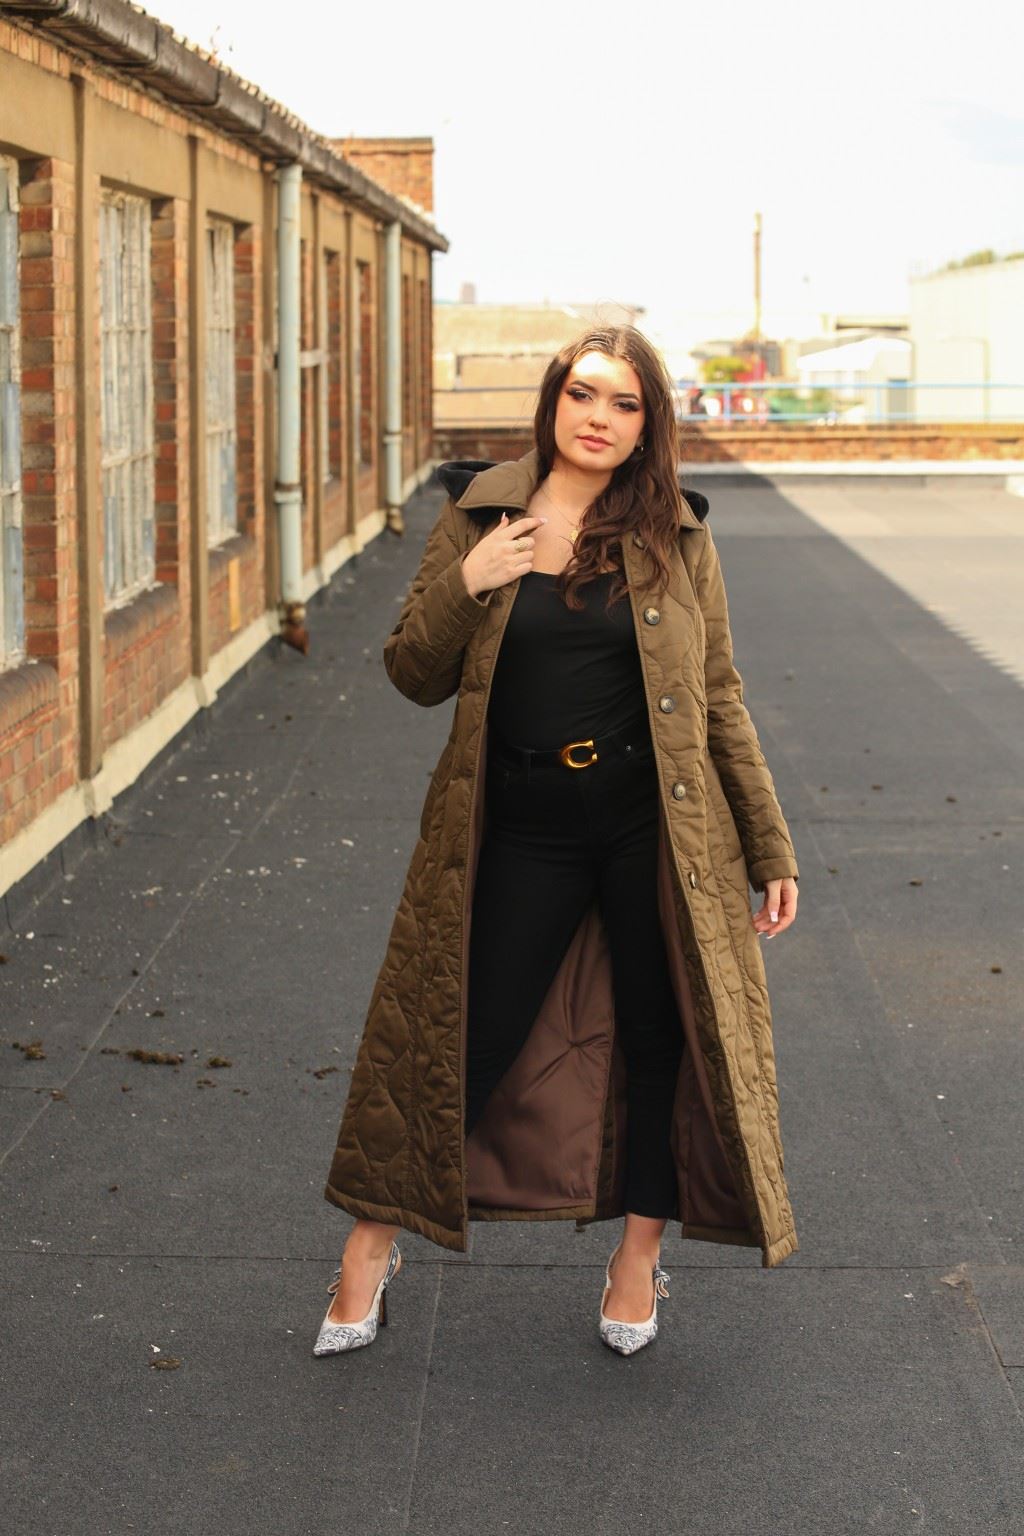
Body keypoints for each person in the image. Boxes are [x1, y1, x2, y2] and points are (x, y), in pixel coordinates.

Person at [315, 325, 800, 1360]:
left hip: (648, 823)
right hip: (524, 821)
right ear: (551, 403)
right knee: (463, 1031)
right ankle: (369, 1251)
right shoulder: (481, 514)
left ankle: (636, 1258)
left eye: (625, 404)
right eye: (583, 394)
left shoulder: (676, 533)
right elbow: (411, 672)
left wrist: (768, 842)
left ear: (647, 426)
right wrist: (471, 579)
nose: (599, 418)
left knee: (661, 1038)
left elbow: (717, 695)